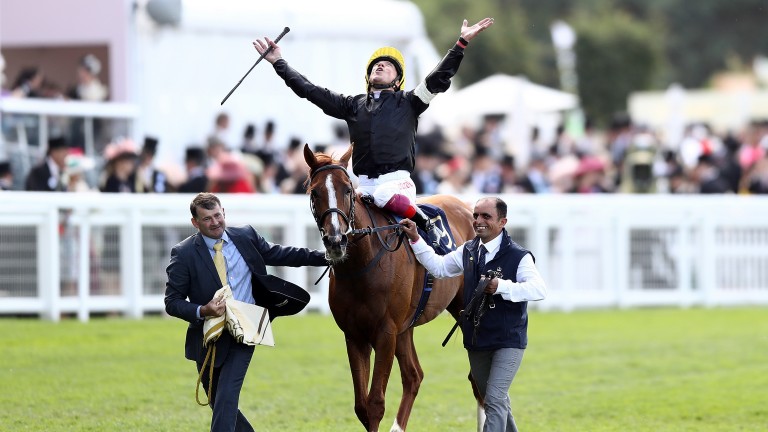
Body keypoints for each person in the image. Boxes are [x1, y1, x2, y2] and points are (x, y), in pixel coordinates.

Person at [253, 17, 494, 245]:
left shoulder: (410, 101)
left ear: (398, 81)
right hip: (363, 187)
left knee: (381, 196)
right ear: (368, 77)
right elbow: (310, 91)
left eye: (388, 66)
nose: (381, 65)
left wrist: (460, 44)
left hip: (396, 185)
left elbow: (438, 77)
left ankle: (427, 222)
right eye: (377, 65)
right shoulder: (353, 105)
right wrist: (278, 62)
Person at [164, 192, 328, 432]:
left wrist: (326, 257)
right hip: (208, 337)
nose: (215, 222)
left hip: (247, 328)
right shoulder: (184, 253)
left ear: (224, 213)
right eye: (207, 218)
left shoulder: (246, 236)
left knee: (227, 396)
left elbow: (282, 254)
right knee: (218, 401)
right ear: (195, 223)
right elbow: (172, 302)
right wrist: (203, 309)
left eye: (218, 215)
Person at [400, 197, 547, 432]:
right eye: (476, 215)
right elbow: (438, 267)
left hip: (508, 340)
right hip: (477, 339)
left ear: (502, 222)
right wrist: (416, 239)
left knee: (495, 399)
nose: (478, 221)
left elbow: (539, 289)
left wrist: (501, 286)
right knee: (495, 400)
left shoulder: (519, 256)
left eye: (486, 216)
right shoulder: (468, 250)